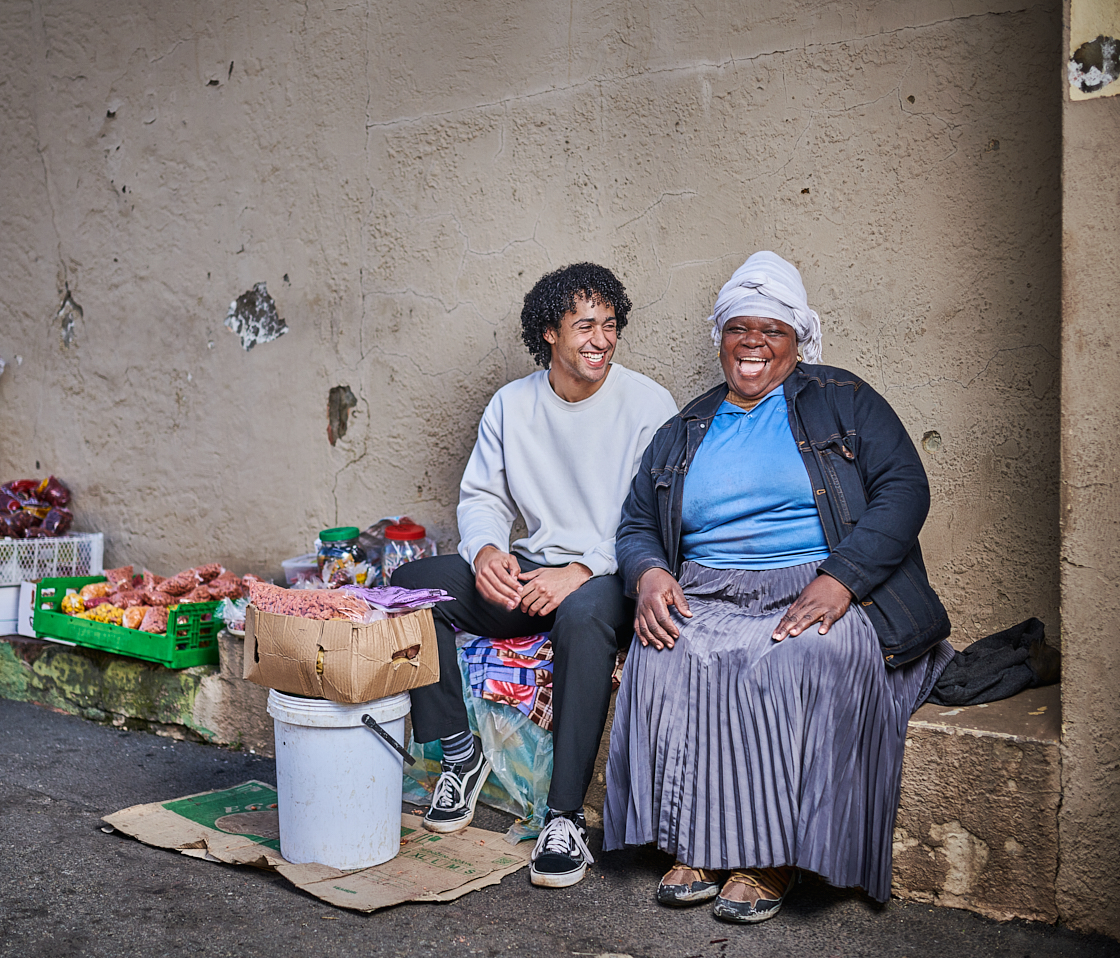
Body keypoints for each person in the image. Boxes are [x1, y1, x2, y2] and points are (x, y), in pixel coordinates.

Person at [603, 250, 955, 922]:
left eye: (772, 329)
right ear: (721, 339)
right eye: (740, 327)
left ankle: (772, 857)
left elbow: (904, 490)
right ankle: (698, 843)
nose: (754, 342)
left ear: (799, 341)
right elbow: (637, 521)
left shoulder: (844, 399)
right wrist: (648, 574)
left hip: (816, 583)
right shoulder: (684, 428)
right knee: (667, 652)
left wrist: (842, 579)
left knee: (804, 655)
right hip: (705, 590)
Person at [391, 262, 677, 889]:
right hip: (532, 568)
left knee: (580, 615)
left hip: (610, 571)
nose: (600, 340)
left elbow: (655, 519)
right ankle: (460, 758)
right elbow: (482, 497)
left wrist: (581, 570)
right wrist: (488, 549)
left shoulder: (649, 405)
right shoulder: (511, 405)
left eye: (610, 325)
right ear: (549, 332)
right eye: (584, 326)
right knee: (415, 587)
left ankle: (565, 817)